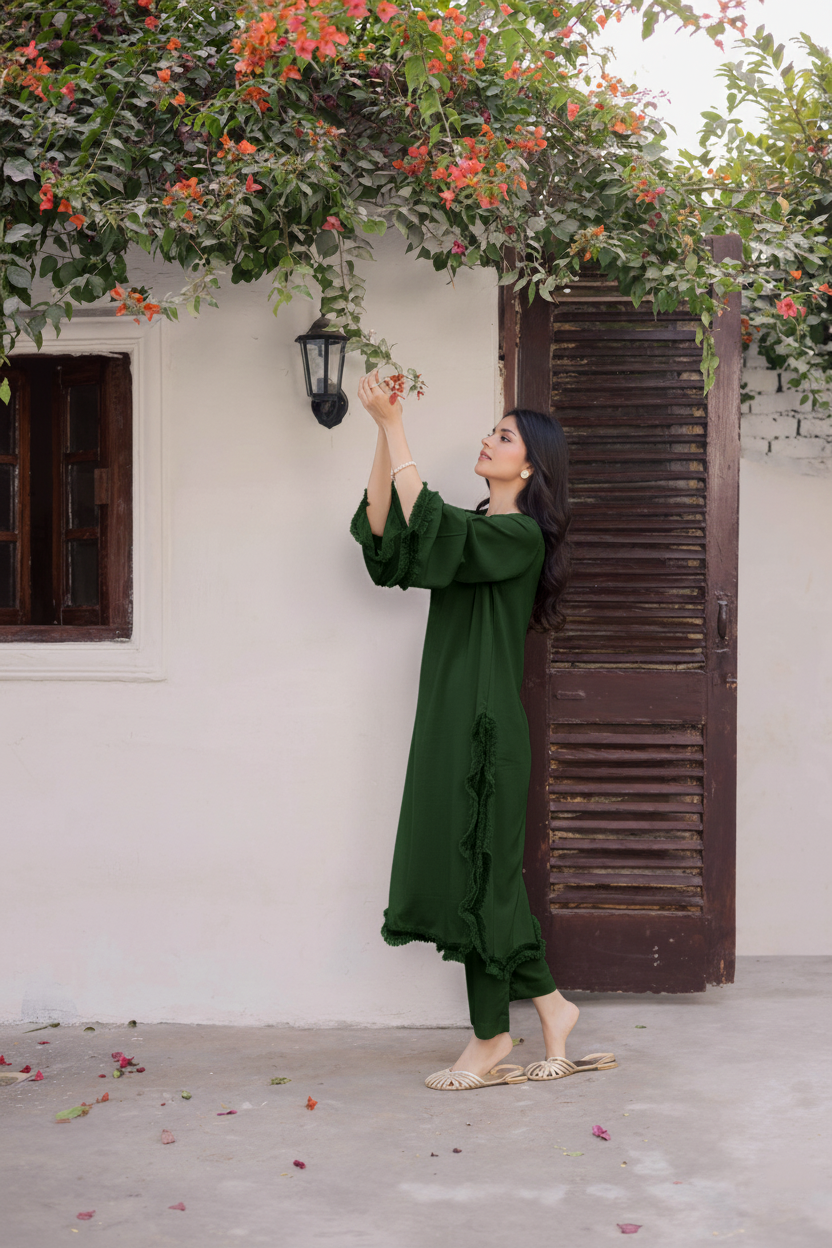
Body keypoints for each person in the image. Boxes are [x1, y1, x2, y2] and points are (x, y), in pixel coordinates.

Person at [351, 368, 616, 1091]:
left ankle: (492, 1037)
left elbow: (434, 524)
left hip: (487, 729)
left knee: (484, 884)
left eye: (503, 436)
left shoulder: (519, 537)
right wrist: (383, 428)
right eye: (492, 431)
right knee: (480, 878)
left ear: (529, 465)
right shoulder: (476, 530)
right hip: (450, 718)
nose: (487, 440)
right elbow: (387, 534)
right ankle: (555, 1010)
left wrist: (398, 425)